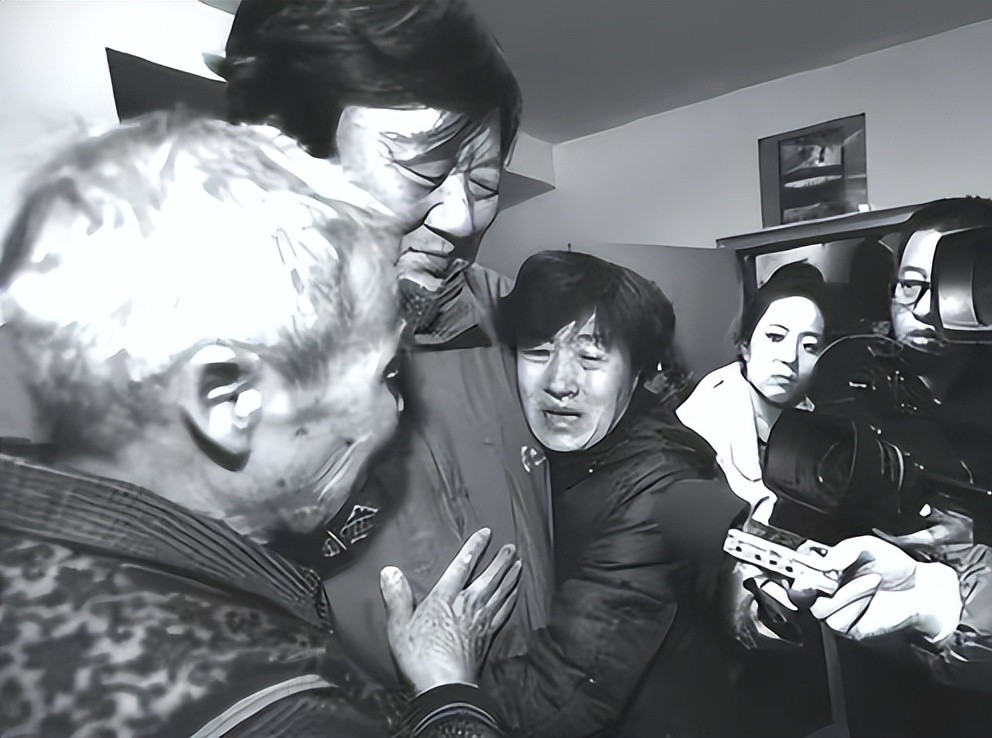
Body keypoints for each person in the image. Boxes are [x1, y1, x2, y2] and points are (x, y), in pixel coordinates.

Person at [0, 113, 520, 737]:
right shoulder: (277, 709)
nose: (400, 406)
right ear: (230, 403)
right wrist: (447, 692)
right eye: (384, 373)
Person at [219, 0, 554, 684]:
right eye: (424, 171)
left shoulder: (510, 312)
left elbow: (627, 446)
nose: (462, 218)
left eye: (485, 183)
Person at [481, 250, 826, 738]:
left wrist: (436, 689)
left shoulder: (659, 484)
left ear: (639, 370)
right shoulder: (543, 451)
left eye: (590, 357)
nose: (559, 383)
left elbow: (566, 695)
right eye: (538, 352)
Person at [800, 219, 992, 736]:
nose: (923, 307)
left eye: (944, 286)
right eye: (910, 285)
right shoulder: (846, 392)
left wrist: (976, 543)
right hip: (894, 703)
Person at [677, 262, 828, 524]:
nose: (789, 357)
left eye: (809, 346)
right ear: (745, 346)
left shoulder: (815, 414)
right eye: (775, 337)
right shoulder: (705, 415)